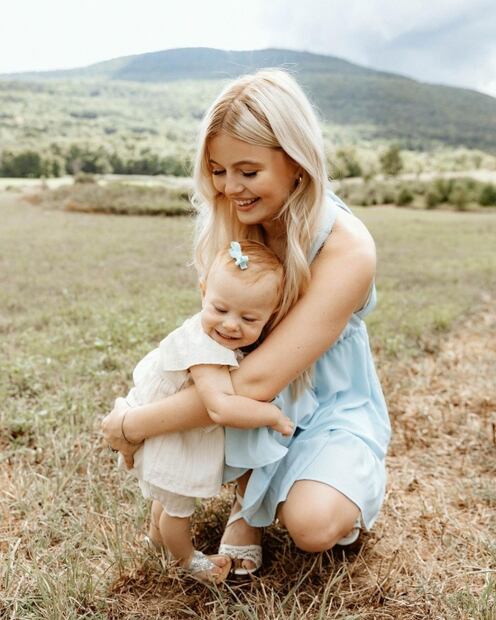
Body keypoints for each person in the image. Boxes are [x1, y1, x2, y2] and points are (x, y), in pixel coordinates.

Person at [102, 68, 390, 578]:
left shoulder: (348, 247)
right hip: (246, 403)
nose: (230, 188)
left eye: (248, 171)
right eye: (218, 170)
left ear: (296, 161)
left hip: (326, 405)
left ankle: (341, 481)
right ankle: (246, 503)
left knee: (313, 526)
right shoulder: (234, 223)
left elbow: (257, 382)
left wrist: (133, 425)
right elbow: (216, 342)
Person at [116, 239, 292, 583]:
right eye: (220, 309)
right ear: (203, 292)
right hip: (174, 436)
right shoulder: (203, 348)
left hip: (172, 429)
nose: (231, 325)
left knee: (167, 496)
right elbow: (221, 407)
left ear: (270, 316)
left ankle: (155, 541)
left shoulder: (215, 334)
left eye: (248, 318)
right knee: (177, 512)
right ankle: (189, 561)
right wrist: (271, 416)